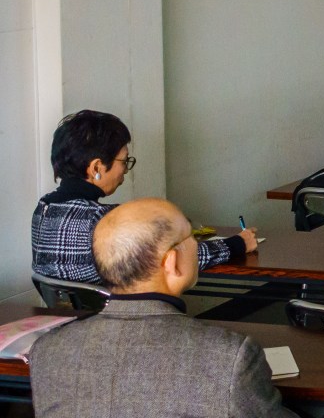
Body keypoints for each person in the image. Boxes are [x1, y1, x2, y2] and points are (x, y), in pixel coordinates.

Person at [29, 198, 296, 417]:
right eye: (191, 237)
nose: (197, 245)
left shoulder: (47, 351)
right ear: (171, 262)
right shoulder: (232, 357)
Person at [31, 110, 256, 285]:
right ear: (96, 167)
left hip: (65, 324)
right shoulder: (106, 221)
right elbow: (173, 259)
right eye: (123, 161)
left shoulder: (43, 209)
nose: (125, 171)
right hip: (113, 323)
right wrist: (237, 244)